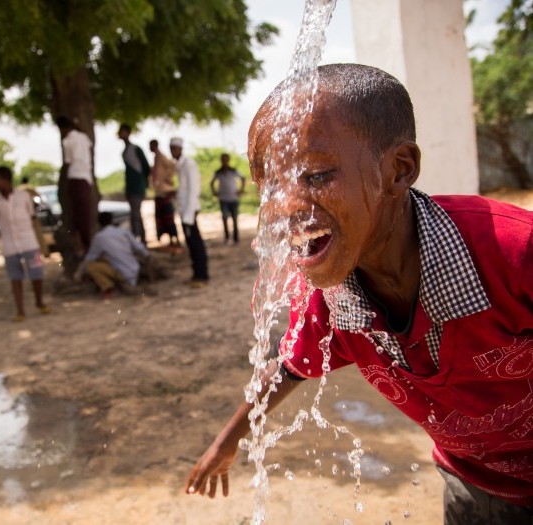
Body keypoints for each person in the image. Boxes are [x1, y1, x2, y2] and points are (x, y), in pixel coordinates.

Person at [185, 63, 533, 525]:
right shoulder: (333, 303)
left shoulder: (511, 254)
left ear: (399, 169)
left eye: (315, 176)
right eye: (272, 187)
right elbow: (288, 369)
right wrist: (225, 444)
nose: (286, 207)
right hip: (475, 485)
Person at [0, 166, 50, 322]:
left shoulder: (24, 196)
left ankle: (40, 302)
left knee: (37, 273)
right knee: (15, 278)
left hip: (30, 242)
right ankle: (20, 310)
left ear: (5, 180)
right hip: (9, 245)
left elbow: (31, 215)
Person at [74, 212, 149, 299]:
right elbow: (139, 247)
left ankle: (109, 288)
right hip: (134, 269)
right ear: (112, 220)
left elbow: (90, 258)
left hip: (122, 273)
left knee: (90, 266)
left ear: (99, 223)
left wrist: (79, 273)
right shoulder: (123, 231)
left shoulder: (99, 237)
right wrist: (147, 256)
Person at [170, 137, 209, 287]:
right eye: (171, 148)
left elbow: (194, 190)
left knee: (196, 243)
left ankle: (202, 276)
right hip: (184, 211)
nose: (173, 151)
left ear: (180, 149)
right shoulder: (180, 165)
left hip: (189, 211)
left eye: (174, 148)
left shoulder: (189, 164)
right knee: (191, 244)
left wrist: (188, 215)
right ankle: (196, 275)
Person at [57, 116, 95, 254]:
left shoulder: (68, 141)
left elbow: (68, 162)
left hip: (75, 178)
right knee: (84, 214)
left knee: (78, 216)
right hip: (86, 179)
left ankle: (84, 245)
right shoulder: (84, 137)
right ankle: (85, 243)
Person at [118, 124, 150, 244]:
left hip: (137, 187)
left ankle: (139, 240)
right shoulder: (125, 152)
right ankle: (140, 239)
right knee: (135, 214)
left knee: (135, 214)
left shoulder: (135, 149)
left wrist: (144, 183)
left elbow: (146, 168)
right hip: (131, 187)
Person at [149, 139, 182, 252]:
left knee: (169, 219)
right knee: (163, 218)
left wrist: (168, 180)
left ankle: (176, 241)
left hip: (165, 192)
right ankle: (171, 241)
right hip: (159, 192)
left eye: (151, 145)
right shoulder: (156, 158)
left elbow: (171, 166)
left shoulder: (162, 157)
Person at [210, 153, 245, 245]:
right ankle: (226, 238)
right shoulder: (218, 172)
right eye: (223, 159)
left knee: (234, 218)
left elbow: (243, 178)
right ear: (221, 160)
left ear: (228, 160)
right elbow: (212, 183)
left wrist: (241, 190)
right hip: (223, 199)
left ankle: (236, 238)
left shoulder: (233, 171)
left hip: (234, 198)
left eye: (226, 159)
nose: (224, 161)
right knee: (225, 218)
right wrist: (214, 192)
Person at [18, 176, 50, 257]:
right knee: (38, 234)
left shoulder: (18, 190)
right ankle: (44, 252)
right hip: (31, 215)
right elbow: (38, 196)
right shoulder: (29, 188)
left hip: (21, 216)